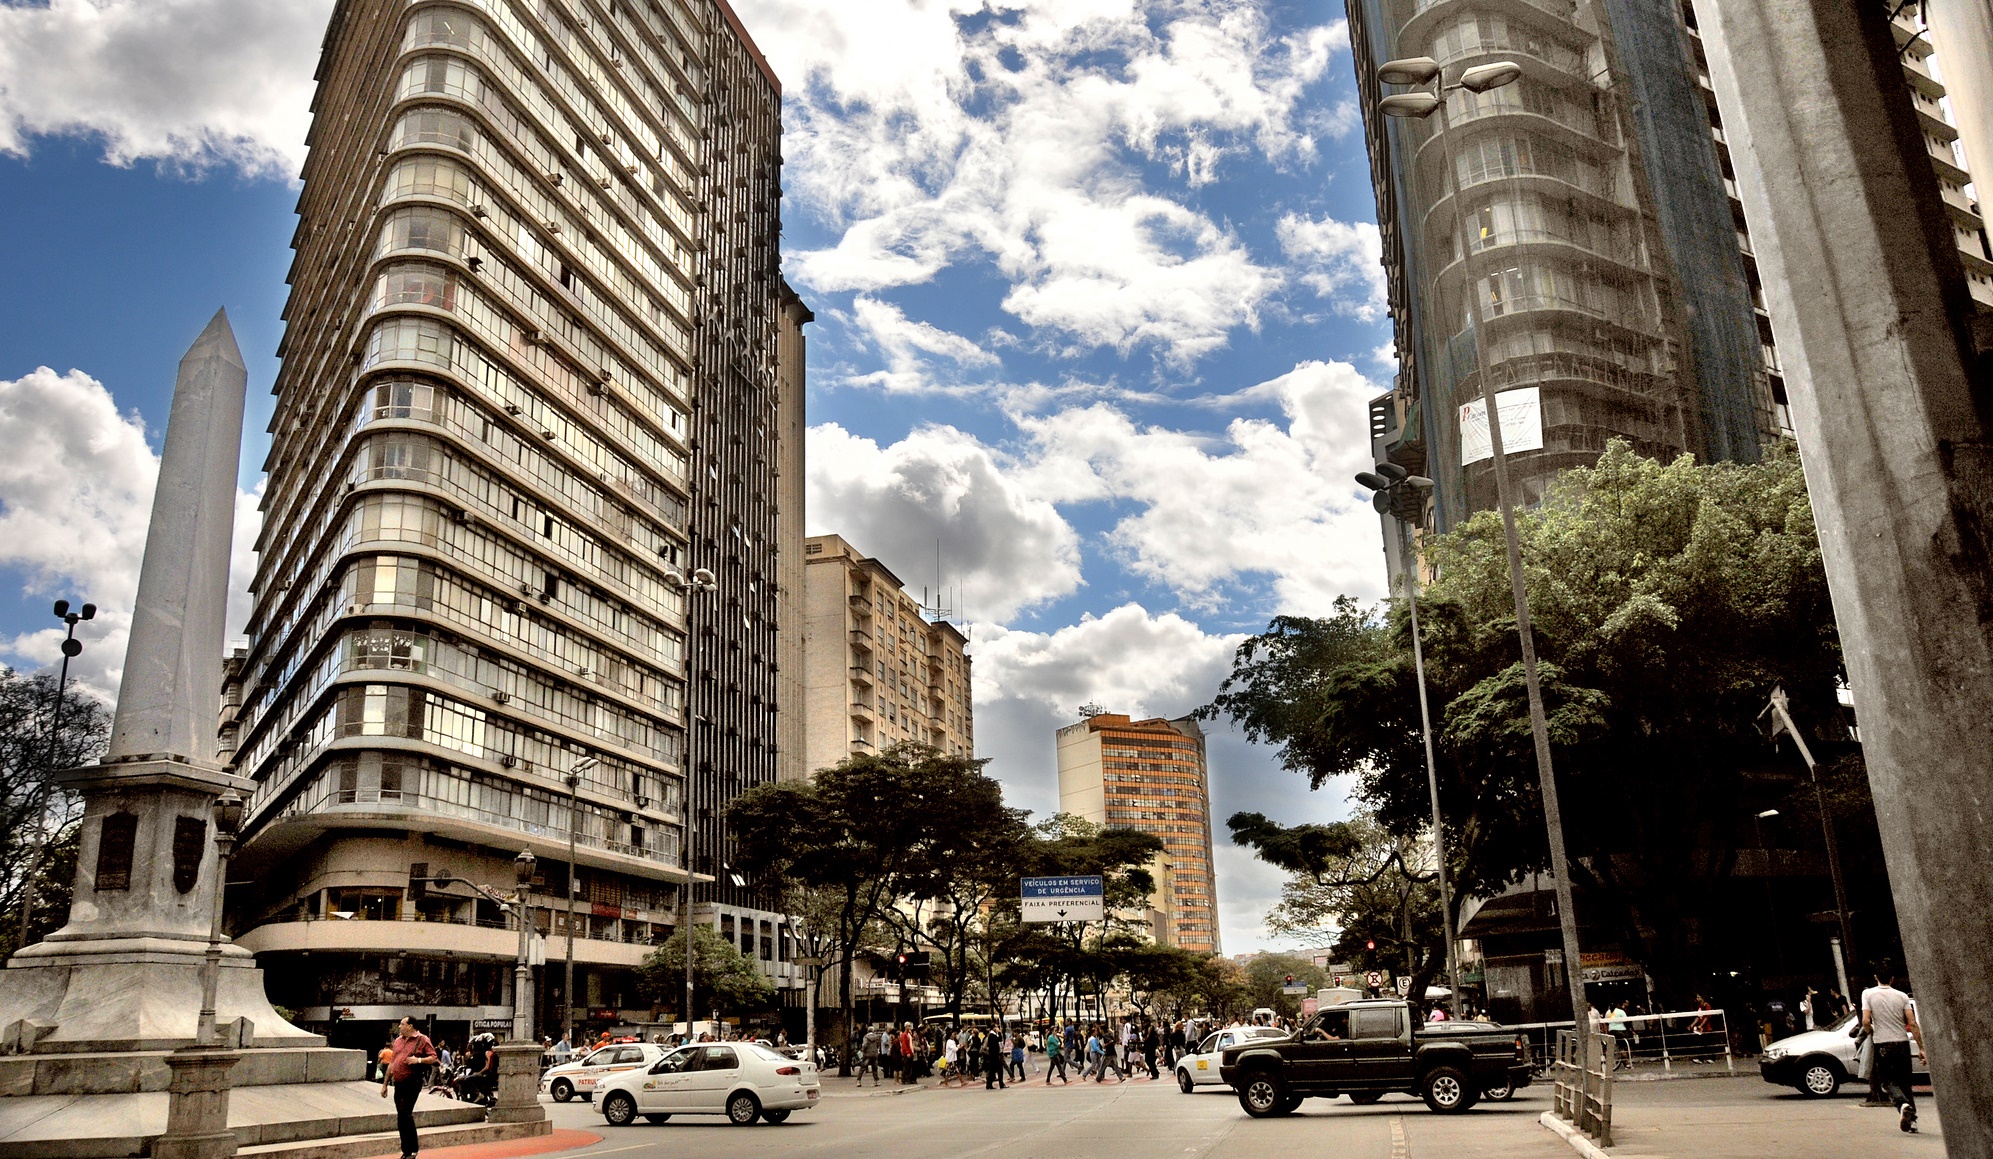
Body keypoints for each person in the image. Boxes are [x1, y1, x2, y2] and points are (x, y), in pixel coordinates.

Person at [1861, 966, 1924, 1133]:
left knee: (1887, 1081)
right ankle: (1913, 1121)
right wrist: (1921, 1048)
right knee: (1905, 1083)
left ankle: (1902, 1104)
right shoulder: (1902, 996)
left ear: (1876, 977)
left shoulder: (1868, 994)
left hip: (1883, 1044)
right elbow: (1912, 1023)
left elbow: (1866, 1020)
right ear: (1892, 979)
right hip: (1902, 1043)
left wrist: (1870, 1032)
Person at [380, 1016, 439, 1159]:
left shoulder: (422, 1039)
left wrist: (418, 1060)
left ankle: (413, 1149)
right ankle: (405, 1150)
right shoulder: (398, 1041)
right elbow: (392, 1063)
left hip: (412, 1081)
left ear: (411, 1026)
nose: (400, 1027)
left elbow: (433, 1058)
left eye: (402, 1024)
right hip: (398, 1082)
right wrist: (385, 1084)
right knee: (400, 1115)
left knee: (406, 1112)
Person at [983, 1025, 1008, 1089]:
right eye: (996, 1027)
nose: (997, 1028)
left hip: (996, 1055)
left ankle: (991, 1084)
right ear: (993, 1028)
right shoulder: (992, 1035)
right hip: (995, 1056)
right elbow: (999, 1039)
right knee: (996, 1070)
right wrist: (999, 1033)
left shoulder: (993, 1035)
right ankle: (993, 1084)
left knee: (994, 1070)